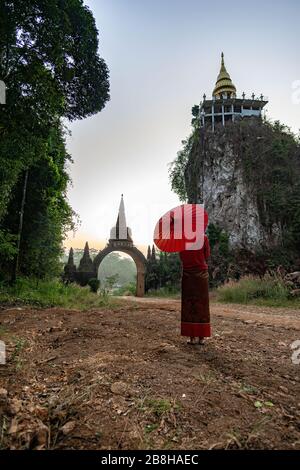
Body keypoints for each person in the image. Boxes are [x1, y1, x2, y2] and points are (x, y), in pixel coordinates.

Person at [179, 234, 211, 345]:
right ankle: (201, 338)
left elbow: (182, 257)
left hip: (188, 273)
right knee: (202, 304)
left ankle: (192, 338)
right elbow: (207, 255)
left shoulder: (182, 239)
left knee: (189, 304)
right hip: (201, 273)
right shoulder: (204, 238)